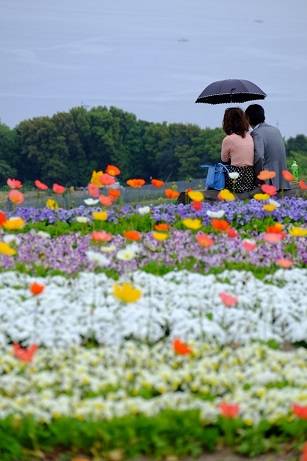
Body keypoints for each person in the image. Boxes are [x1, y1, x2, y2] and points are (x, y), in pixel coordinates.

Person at [245, 104, 291, 190]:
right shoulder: (276, 130)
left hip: (270, 181)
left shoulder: (256, 133)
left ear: (247, 118)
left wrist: (258, 178)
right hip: (282, 181)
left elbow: (259, 157)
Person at [221, 107, 255, 193]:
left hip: (235, 174)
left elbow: (224, 159)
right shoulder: (250, 136)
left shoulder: (228, 139)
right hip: (250, 174)